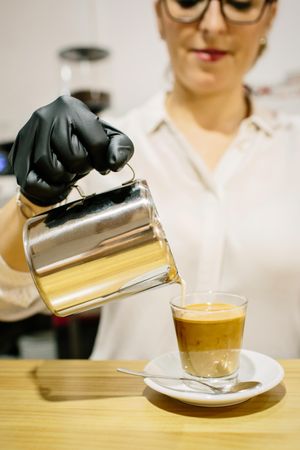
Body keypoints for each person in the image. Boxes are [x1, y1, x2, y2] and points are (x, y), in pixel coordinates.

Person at [1, 0, 299, 359]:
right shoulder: (103, 148)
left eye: (240, 3)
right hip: (124, 410)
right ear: (159, 13)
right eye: (189, 1)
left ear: (269, 15)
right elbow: (8, 301)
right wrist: (32, 201)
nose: (214, 25)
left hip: (272, 413)